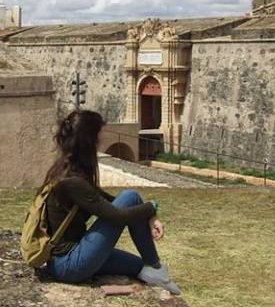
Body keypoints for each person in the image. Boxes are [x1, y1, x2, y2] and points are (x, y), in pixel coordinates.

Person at [43, 109, 180, 294]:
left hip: (73, 255)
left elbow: (109, 202)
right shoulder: (71, 182)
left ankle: (154, 269)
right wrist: (152, 207)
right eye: (99, 135)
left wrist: (150, 216)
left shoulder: (70, 172)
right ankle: (157, 268)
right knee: (131, 196)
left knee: (139, 267)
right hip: (68, 264)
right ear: (89, 141)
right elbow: (117, 216)